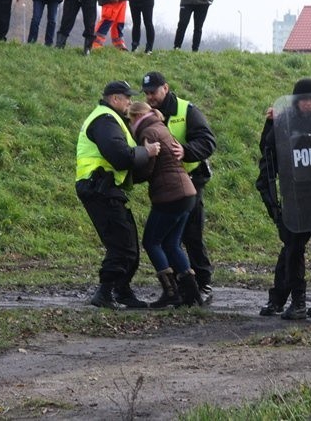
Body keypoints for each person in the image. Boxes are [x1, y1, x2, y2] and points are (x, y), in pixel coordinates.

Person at [255, 78, 311, 322]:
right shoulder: (284, 123)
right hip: (296, 198)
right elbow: (268, 152)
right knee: (293, 250)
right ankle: (297, 300)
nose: (308, 103)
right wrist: (270, 124)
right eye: (303, 99)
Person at [76, 80, 161, 309]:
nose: (130, 103)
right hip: (99, 188)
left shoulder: (111, 120)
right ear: (115, 99)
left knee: (129, 242)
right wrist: (147, 151)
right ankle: (104, 292)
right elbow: (121, 156)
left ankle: (122, 290)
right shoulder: (105, 120)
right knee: (122, 244)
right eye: (127, 98)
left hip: (107, 188)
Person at [142, 71, 216, 304]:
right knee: (170, 240)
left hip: (190, 180)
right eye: (146, 93)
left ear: (166, 88)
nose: (149, 97)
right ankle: (180, 288)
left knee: (192, 234)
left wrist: (186, 151)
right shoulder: (147, 113)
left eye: (153, 92)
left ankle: (203, 284)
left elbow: (207, 141)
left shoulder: (187, 111)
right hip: (167, 185)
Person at [128, 102, 202, 307]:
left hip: (170, 195)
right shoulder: (161, 127)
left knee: (151, 242)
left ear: (135, 118)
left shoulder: (148, 133)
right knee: (172, 244)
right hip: (187, 192)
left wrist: (127, 178)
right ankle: (192, 294)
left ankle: (171, 292)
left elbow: (146, 168)